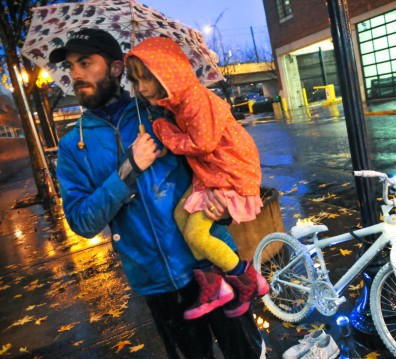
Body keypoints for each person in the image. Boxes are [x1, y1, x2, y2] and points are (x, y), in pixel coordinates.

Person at [49, 28, 265, 359]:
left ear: (117, 68)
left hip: (211, 263)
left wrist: (225, 205)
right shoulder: (72, 146)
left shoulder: (162, 110)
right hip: (158, 285)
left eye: (85, 63)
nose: (75, 75)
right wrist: (127, 170)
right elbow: (81, 221)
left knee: (248, 353)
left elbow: (218, 157)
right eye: (70, 67)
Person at [124, 37, 268, 320]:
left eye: (148, 78)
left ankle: (248, 280)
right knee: (181, 216)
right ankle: (215, 287)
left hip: (228, 172)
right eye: (136, 80)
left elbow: (202, 143)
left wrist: (164, 131)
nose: (141, 88)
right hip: (212, 173)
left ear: (167, 74)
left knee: (195, 233)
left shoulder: (195, 99)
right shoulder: (179, 103)